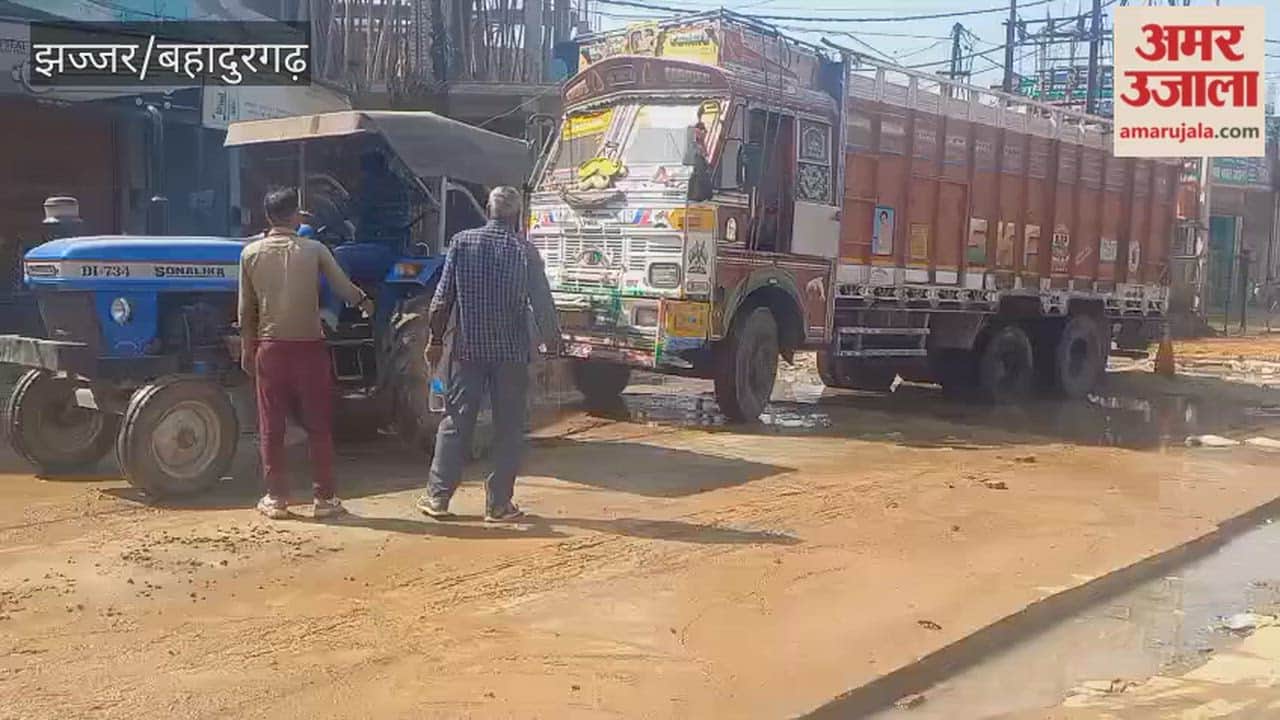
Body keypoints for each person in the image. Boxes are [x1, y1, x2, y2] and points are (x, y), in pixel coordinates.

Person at [417, 186, 560, 523]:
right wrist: (552, 347)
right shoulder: (525, 251)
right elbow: (542, 305)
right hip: (510, 353)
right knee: (509, 428)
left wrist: (435, 340)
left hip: (468, 351)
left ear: (488, 210)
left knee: (455, 422)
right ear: (517, 216)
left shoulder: (462, 242)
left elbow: (441, 301)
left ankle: (437, 498)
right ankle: (498, 505)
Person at [238, 187, 375, 520]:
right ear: (295, 216)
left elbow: (245, 312)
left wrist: (246, 349)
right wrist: (364, 302)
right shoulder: (314, 249)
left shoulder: (250, 254)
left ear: (267, 217)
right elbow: (343, 288)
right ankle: (325, 499)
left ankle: (276, 499)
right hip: (310, 349)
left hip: (270, 349)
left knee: (272, 426)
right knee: (318, 425)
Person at [357, 149, 411, 246]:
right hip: (394, 242)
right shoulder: (399, 185)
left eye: (364, 171)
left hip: (377, 242)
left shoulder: (377, 188)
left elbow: (361, 210)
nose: (362, 176)